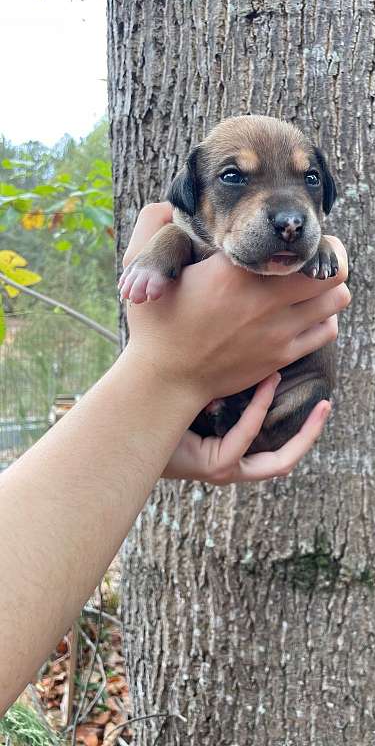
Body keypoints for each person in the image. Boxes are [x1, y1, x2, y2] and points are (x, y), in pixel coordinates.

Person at [0, 202, 350, 714]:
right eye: (234, 178)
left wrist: (150, 420)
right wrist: (163, 377)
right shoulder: (188, 229)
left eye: (309, 181)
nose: (290, 214)